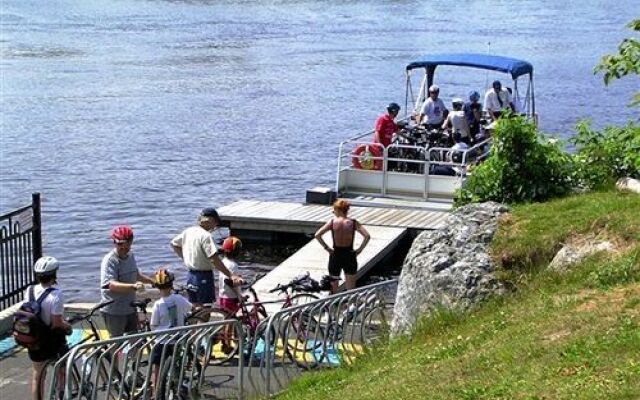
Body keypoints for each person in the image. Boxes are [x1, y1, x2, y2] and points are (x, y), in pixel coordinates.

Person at [171, 208, 243, 307]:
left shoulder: (189, 231)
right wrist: (231, 275)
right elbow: (214, 259)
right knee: (206, 309)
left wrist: (186, 258)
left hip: (190, 275)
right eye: (216, 223)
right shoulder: (206, 236)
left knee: (196, 307)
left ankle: (194, 322)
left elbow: (174, 244)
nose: (216, 226)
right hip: (204, 276)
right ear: (210, 221)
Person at [25, 256, 72, 400]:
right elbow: (56, 323)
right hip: (52, 340)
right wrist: (67, 326)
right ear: (54, 274)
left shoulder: (30, 290)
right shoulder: (56, 295)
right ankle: (60, 395)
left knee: (38, 375)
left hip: (34, 339)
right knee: (61, 369)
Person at [100, 225, 154, 338]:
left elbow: (135, 275)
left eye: (127, 246)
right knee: (115, 343)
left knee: (135, 341)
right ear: (114, 243)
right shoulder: (110, 260)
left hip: (130, 308)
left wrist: (151, 281)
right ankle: (113, 356)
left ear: (131, 242)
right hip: (114, 310)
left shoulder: (130, 255)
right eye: (120, 245)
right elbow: (111, 285)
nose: (124, 249)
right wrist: (133, 287)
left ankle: (132, 356)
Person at [149, 268, 192, 391]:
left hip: (162, 340)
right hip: (177, 339)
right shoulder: (179, 299)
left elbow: (154, 324)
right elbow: (190, 308)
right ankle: (178, 385)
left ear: (157, 287)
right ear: (172, 284)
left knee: (157, 366)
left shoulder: (158, 304)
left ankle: (156, 390)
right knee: (177, 362)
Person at [314, 199, 370, 293]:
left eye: (334, 210)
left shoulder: (332, 222)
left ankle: (333, 306)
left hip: (335, 255)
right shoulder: (353, 223)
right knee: (350, 290)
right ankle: (351, 306)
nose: (333, 212)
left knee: (333, 289)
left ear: (339, 210)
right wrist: (360, 250)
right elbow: (367, 236)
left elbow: (317, 235)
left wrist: (327, 248)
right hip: (349, 255)